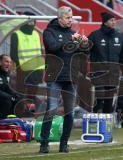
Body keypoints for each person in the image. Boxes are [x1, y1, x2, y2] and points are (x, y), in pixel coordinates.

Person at [39, 6, 89, 153]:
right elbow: (53, 47)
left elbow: (84, 53)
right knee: (51, 110)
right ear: (60, 18)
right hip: (55, 77)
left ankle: (64, 144)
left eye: (71, 17)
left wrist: (85, 44)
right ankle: (44, 143)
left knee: (70, 113)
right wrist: (71, 40)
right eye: (68, 17)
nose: (70, 20)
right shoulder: (49, 32)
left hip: (71, 78)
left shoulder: (73, 33)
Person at [88, 12, 123, 113]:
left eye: (114, 20)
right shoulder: (94, 35)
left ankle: (106, 124)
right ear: (105, 22)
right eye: (111, 20)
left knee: (109, 100)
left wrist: (122, 69)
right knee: (99, 97)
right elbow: (84, 50)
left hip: (113, 73)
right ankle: (94, 120)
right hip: (98, 73)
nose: (114, 22)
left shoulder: (119, 36)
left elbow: (122, 56)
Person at [10, 11, 45, 111]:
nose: (32, 24)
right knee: (21, 93)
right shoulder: (16, 34)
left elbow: (38, 51)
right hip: (23, 69)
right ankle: (20, 111)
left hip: (36, 69)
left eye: (33, 21)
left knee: (32, 94)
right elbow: (13, 54)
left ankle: (30, 112)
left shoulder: (36, 34)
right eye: (29, 21)